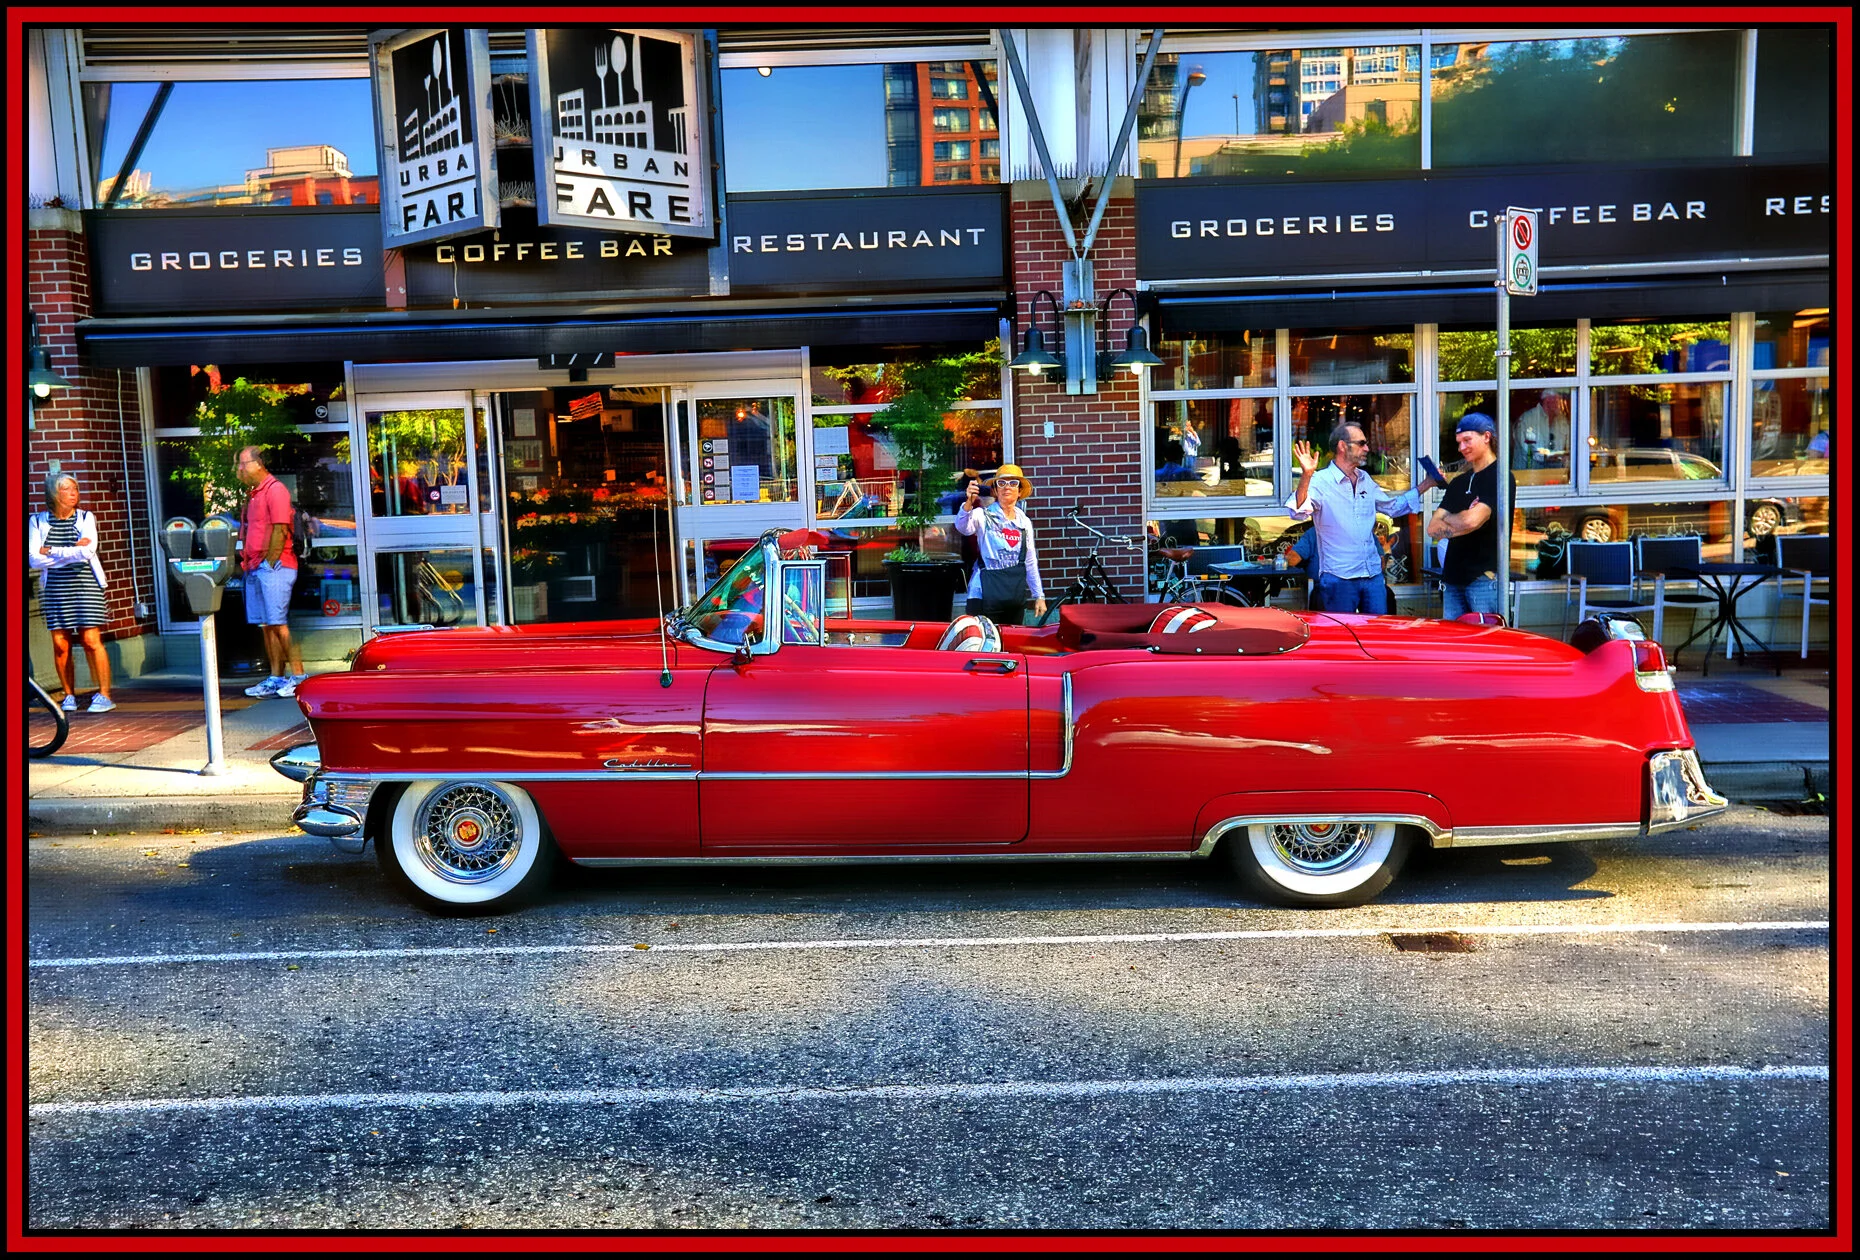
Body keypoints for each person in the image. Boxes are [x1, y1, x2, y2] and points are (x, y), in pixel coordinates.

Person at [1287, 424, 1442, 615]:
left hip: (1372, 575)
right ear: (1343, 446)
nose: (1367, 448)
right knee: (1343, 637)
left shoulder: (1364, 479)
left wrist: (1427, 484)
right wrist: (1307, 475)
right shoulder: (1321, 480)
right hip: (1339, 578)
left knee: (1376, 635)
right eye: (1361, 444)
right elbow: (1298, 511)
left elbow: (1392, 507)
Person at [30, 471, 115, 713]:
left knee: (90, 640)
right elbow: (34, 559)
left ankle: (105, 695)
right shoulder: (37, 521)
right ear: (54, 494)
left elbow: (87, 553)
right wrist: (69, 550)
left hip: (85, 584)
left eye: (75, 489)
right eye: (67, 489)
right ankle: (69, 695)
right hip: (55, 587)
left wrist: (52, 551)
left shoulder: (87, 517)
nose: (73, 493)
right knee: (60, 644)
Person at [1426, 412, 1517, 620]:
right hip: (1452, 578)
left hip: (1484, 578)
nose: (1461, 448)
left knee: (1488, 645)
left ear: (1486, 437)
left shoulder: (1501, 476)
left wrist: (1451, 520)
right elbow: (1432, 528)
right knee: (1455, 648)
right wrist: (1465, 518)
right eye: (1459, 443)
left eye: (1467, 440)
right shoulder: (1459, 482)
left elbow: (1473, 520)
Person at [236, 445, 307, 698]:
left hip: (274, 566)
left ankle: (299, 677)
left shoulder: (275, 490)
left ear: (258, 464)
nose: (240, 469)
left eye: (243, 463)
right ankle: (276, 677)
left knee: (279, 624)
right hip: (256, 566)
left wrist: (270, 561)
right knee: (267, 625)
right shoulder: (253, 493)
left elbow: (280, 527)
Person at [955, 462, 1045, 626]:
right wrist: (968, 502)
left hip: (1013, 595)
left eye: (1013, 483)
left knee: (1011, 643)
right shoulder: (982, 515)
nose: (1007, 487)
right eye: (1001, 483)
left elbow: (1030, 561)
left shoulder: (1024, 522)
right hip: (983, 594)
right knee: (984, 647)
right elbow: (963, 527)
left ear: (1019, 491)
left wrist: (1039, 595)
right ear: (995, 490)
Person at [1514, 388, 1569, 470]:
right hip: (1528, 474)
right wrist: (1550, 457)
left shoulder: (1562, 420)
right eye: (1559, 401)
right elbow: (1528, 450)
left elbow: (1568, 445)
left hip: (1555, 475)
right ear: (1548, 401)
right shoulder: (1528, 419)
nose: (1562, 405)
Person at [1282, 525, 1323, 612]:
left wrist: (1282, 558)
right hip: (1354, 582)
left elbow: (1293, 560)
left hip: (1324, 589)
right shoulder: (1353, 530)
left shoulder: (1315, 532)